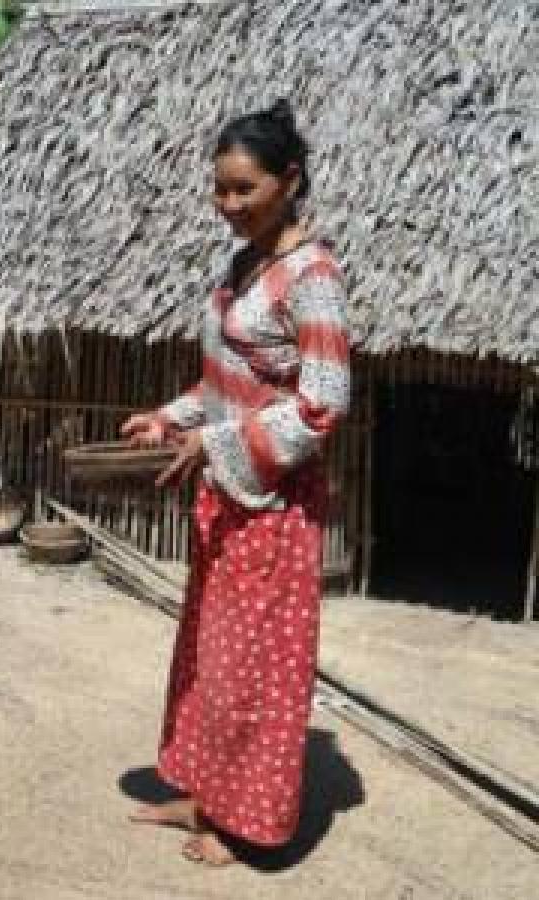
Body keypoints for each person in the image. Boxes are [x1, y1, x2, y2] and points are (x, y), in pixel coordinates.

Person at [120, 99, 351, 866]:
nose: (227, 206)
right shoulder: (242, 266)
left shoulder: (311, 278)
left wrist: (214, 442)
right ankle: (201, 796)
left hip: (273, 508)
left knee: (253, 669)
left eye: (243, 190)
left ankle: (247, 825)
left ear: (289, 181)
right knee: (212, 660)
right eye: (219, 189)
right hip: (227, 497)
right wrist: (167, 418)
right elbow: (229, 383)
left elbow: (323, 404)